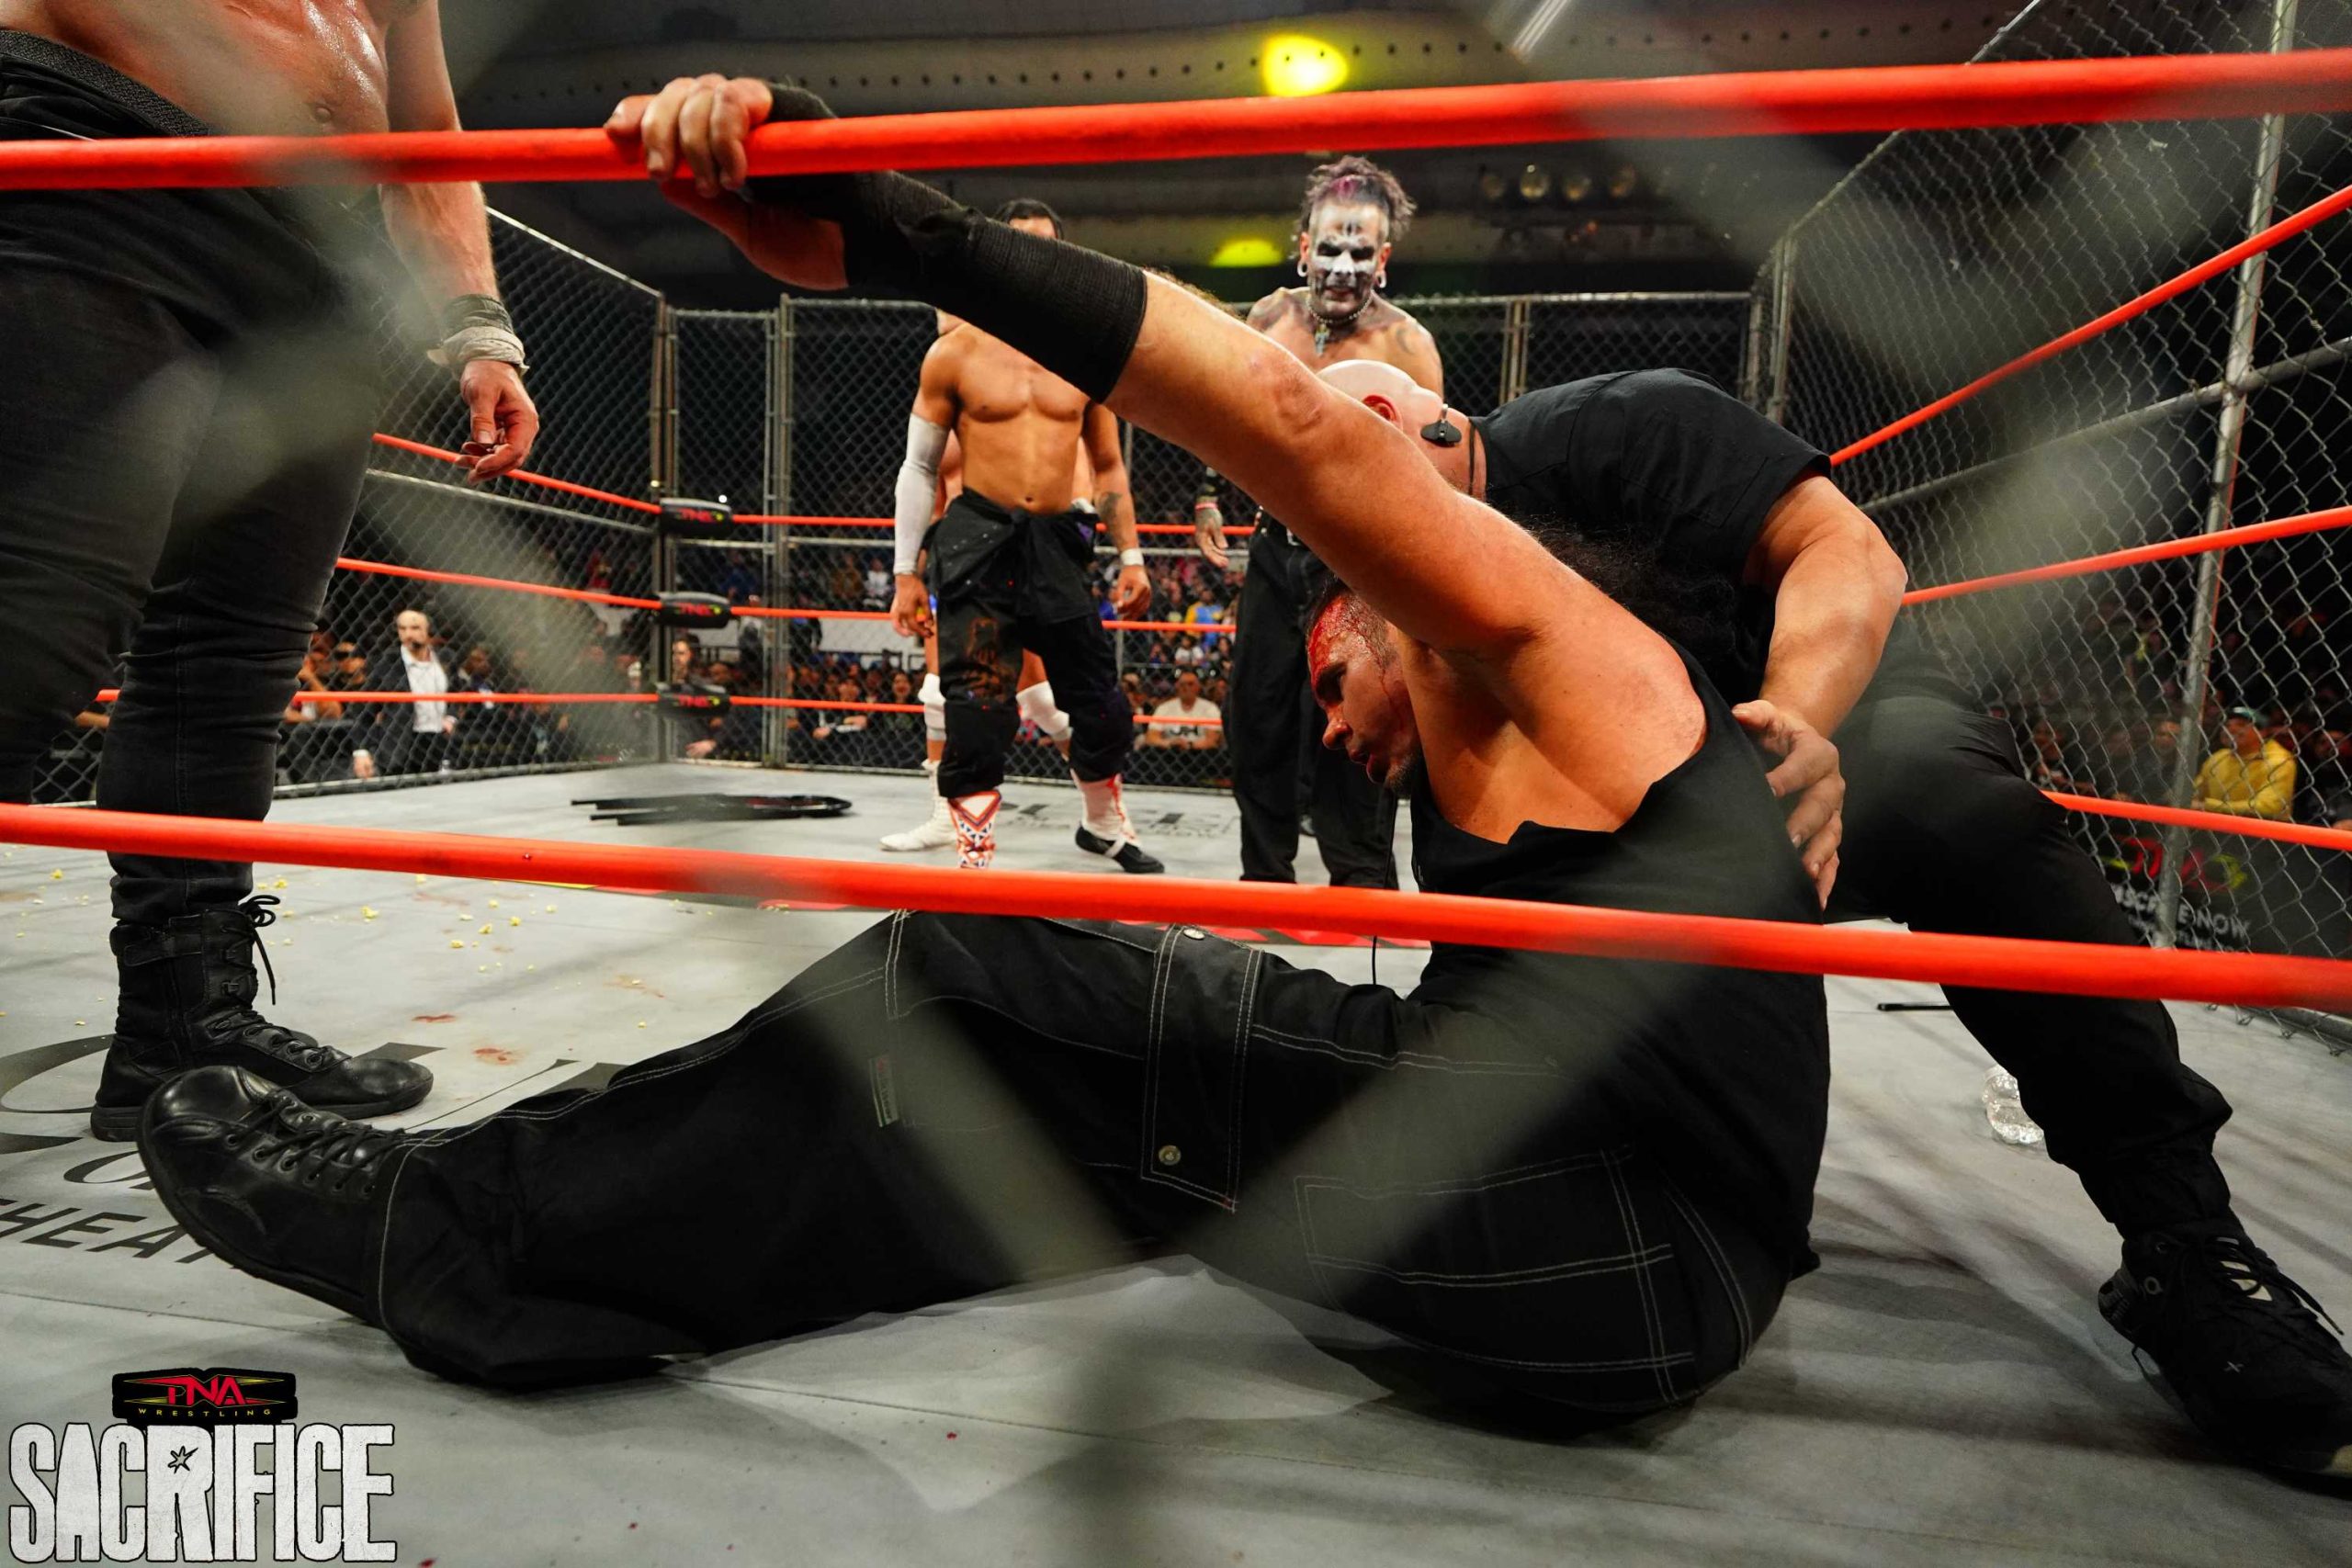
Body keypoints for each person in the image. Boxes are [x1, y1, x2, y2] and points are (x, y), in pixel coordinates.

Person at [137, 81, 1832, 1422]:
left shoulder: (1556, 644)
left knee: (980, 984)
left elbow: (1300, 428)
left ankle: (454, 1233)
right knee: (1055, 1084)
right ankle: (581, 1245)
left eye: (1330, 659)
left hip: (1615, 1237)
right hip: (1602, 1221)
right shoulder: (1571, 696)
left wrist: (905, 232)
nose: (1327, 713)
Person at [1321, 356, 2352, 1476]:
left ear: (1380, 425)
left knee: (1964, 817)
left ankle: (2187, 1247)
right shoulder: (1432, 623)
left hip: (1838, 729)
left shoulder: (1612, 428)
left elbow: (1846, 548)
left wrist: (1796, 723)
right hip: (1657, 809)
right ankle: (1662, 1195)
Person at [0, 2, 544, 1141]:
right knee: (38, 624)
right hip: (102, 173)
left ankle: (181, 1026)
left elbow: (426, 134)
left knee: (228, 664)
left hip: (317, 269)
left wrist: (480, 328)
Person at [881, 199, 1161, 872]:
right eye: (1018, 245)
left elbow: (1109, 465)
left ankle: (1102, 824)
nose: (1032, 260)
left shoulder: (1083, 356)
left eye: (1045, 246)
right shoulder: (955, 354)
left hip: (1057, 542)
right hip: (978, 540)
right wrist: (904, 572)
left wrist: (1131, 555)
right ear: (996, 255)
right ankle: (975, 855)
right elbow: (919, 467)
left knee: (1099, 703)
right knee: (976, 708)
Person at [1209, 156, 1444, 891]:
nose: (1344, 268)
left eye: (1360, 252)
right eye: (1331, 249)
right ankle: (1264, 875)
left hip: (1356, 558)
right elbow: (1226, 414)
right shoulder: (1268, 320)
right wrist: (1209, 494)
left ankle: (1363, 882)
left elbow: (1435, 473)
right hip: (1275, 546)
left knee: (1365, 714)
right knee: (1258, 715)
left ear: (1384, 259)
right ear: (1304, 247)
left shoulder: (1408, 348)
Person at [349, 609, 457, 780]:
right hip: (402, 746)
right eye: (402, 628)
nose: (408, 634)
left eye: (415, 628)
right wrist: (361, 752)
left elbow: (455, 691)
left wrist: (450, 717)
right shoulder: (386, 664)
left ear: (428, 630)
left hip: (439, 741)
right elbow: (363, 710)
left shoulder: (444, 659)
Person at [2192, 707, 2297, 821]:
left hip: (2260, 828)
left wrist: (2208, 806)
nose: (2231, 729)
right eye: (2227, 725)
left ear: (2262, 732)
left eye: (2241, 725)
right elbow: (2195, 793)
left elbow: (2269, 807)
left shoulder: (2279, 760)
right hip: (2215, 824)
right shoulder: (2218, 757)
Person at [1142, 668, 1225, 786]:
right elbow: (1151, 737)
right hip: (1169, 753)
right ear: (1177, 686)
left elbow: (1212, 740)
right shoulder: (1165, 708)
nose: (1186, 688)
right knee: (1147, 753)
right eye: (1182, 684)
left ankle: (1193, 780)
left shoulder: (1209, 708)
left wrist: (1190, 745)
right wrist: (1169, 743)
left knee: (1217, 756)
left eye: (1190, 684)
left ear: (1198, 687)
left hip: (1198, 752)